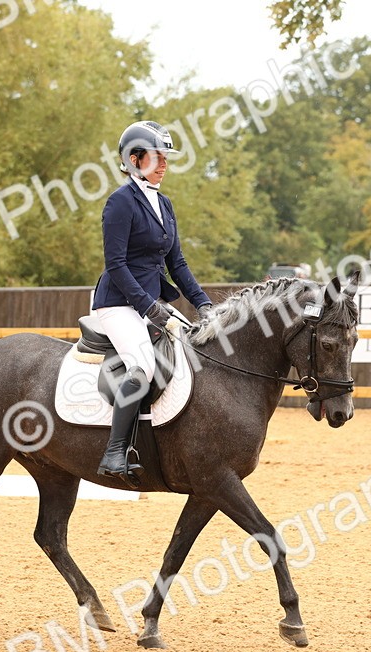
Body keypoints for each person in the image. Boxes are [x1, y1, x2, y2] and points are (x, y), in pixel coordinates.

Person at [92, 120, 213, 479]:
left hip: (150, 302)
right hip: (117, 303)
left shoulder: (164, 204)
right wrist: (148, 306)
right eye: (157, 157)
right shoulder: (120, 203)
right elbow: (115, 264)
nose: (164, 164)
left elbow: (176, 263)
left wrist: (203, 303)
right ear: (134, 159)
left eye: (166, 157)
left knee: (196, 353)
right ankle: (114, 452)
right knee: (142, 367)